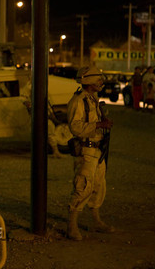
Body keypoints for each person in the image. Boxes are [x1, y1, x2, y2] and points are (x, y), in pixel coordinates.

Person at [66, 66, 115, 241]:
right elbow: (75, 127)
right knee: (83, 186)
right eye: (97, 79)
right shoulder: (78, 101)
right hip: (86, 150)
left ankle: (96, 220)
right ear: (88, 81)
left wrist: (103, 122)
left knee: (98, 186)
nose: (101, 82)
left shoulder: (92, 99)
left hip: (97, 150)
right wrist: (99, 126)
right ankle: (72, 226)